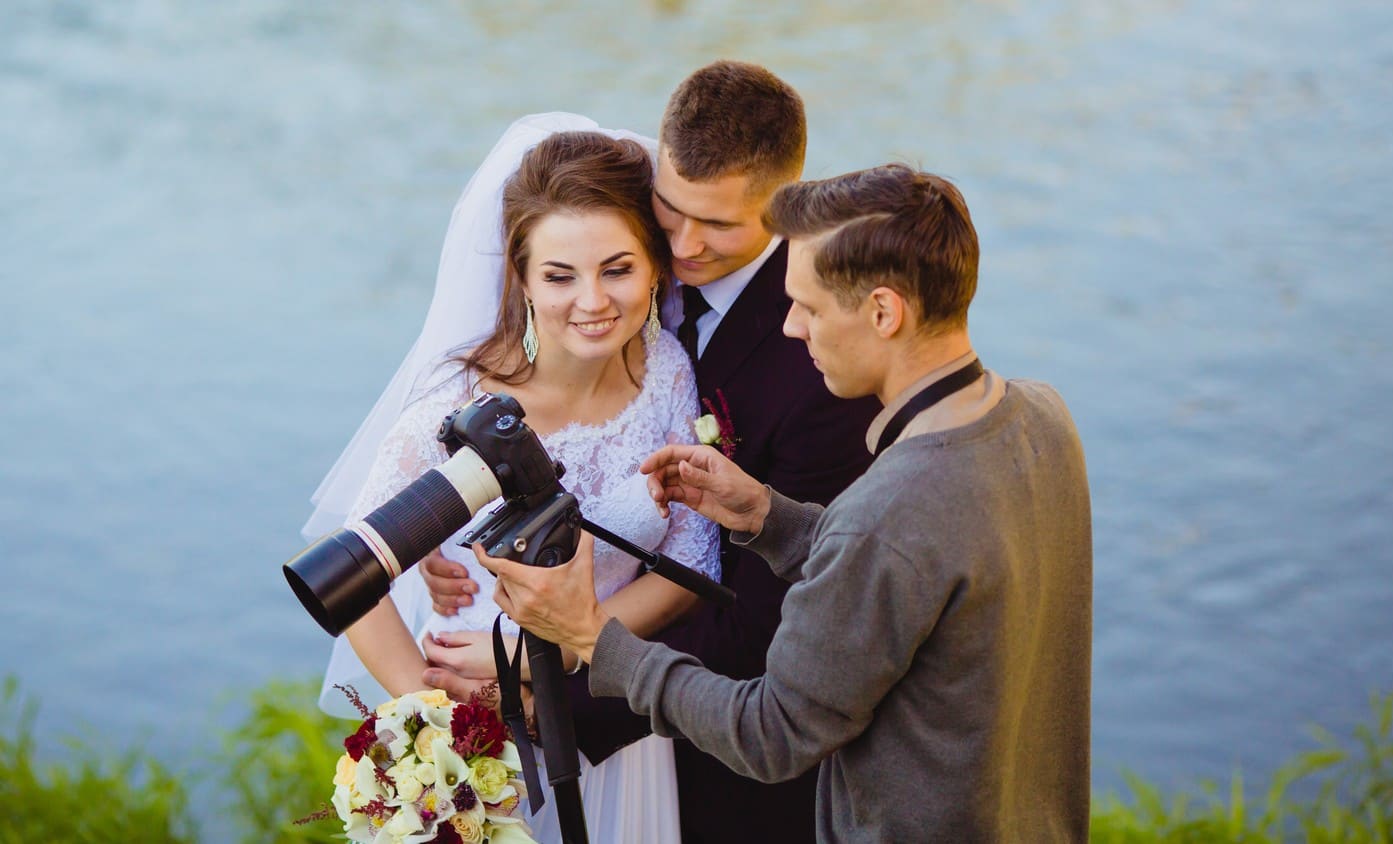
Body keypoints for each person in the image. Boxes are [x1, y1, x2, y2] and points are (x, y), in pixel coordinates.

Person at [477, 164, 1095, 842]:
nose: (793, 328)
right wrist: (768, 516)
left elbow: (770, 735)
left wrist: (593, 637)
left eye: (809, 306)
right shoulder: (1042, 415)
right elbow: (914, 567)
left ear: (884, 312)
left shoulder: (886, 513)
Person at [418, 61, 881, 843]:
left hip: (710, 754)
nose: (686, 245)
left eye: (721, 226)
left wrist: (550, 678)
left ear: (786, 207)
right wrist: (443, 535)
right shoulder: (623, 265)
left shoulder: (822, 370)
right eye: (670, 210)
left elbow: (767, 624)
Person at [306, 124, 720, 843]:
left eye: (617, 269)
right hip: (479, 733)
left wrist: (549, 653)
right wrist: (433, 710)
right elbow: (351, 572)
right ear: (522, 279)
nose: (591, 301)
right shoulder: (457, 404)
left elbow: (689, 566)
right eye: (559, 276)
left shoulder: (670, 377)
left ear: (656, 268)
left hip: (614, 724)